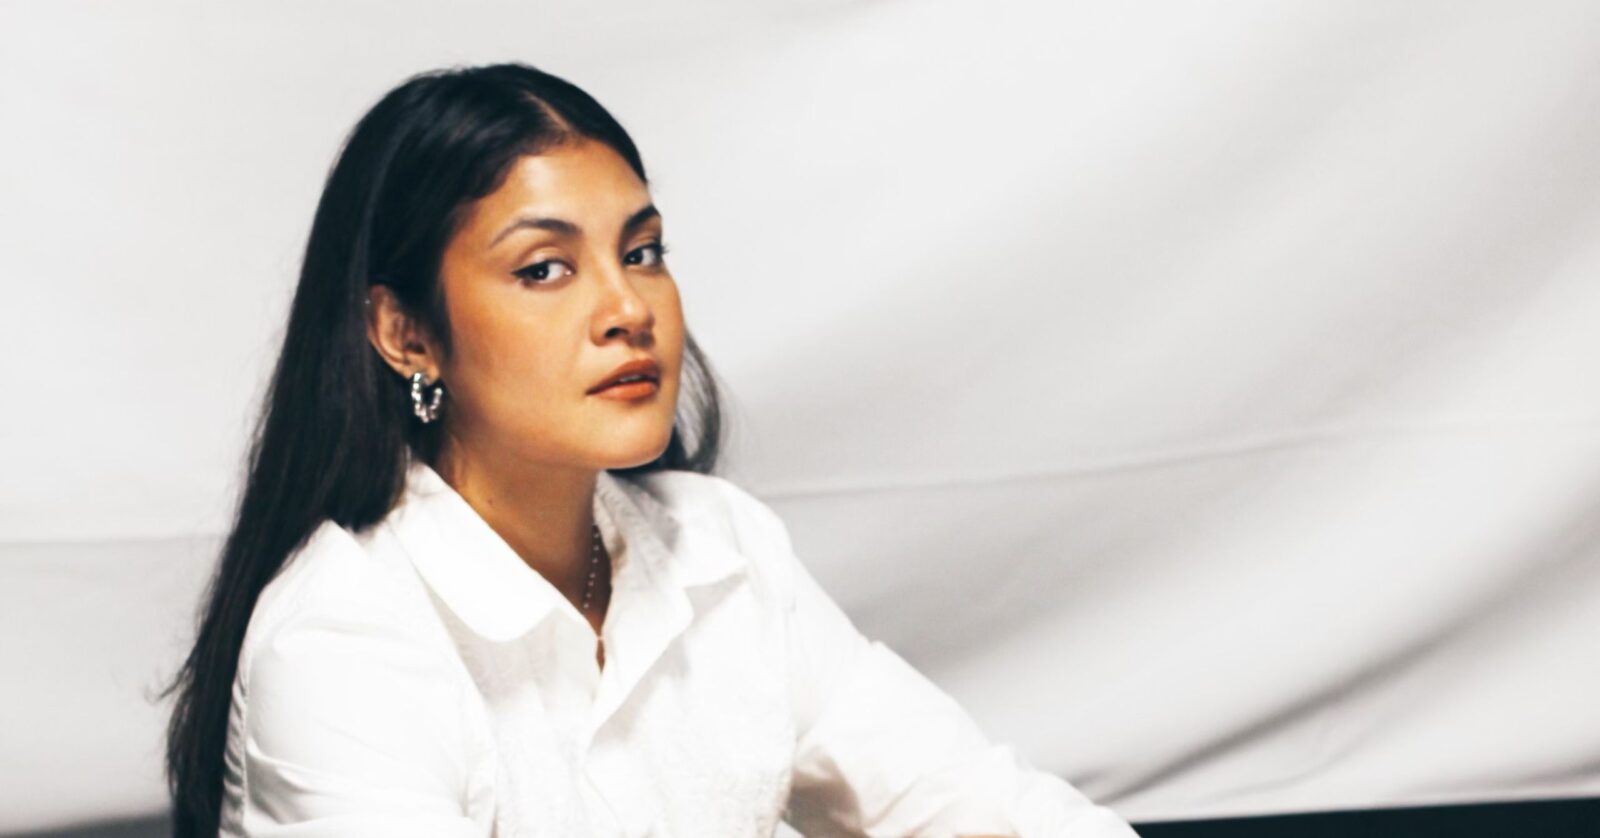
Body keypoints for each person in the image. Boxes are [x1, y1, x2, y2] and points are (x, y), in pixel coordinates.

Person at [160, 62, 1139, 837]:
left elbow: (965, 803)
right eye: (545, 268)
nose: (628, 307)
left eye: (642, 252)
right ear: (405, 333)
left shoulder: (721, 545)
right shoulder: (344, 638)